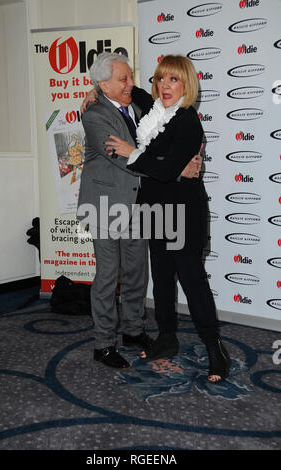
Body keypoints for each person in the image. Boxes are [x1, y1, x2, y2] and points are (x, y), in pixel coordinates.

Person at [104, 54, 231, 383]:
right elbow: (134, 92)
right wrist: (96, 91)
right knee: (160, 279)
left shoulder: (188, 121)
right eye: (160, 79)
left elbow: (164, 169)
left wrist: (131, 153)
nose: (164, 86)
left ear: (187, 84)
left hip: (184, 212)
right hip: (154, 210)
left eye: (173, 80)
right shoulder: (155, 111)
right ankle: (167, 338)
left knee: (192, 282)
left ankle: (215, 348)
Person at [77, 52, 201, 369]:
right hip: (105, 206)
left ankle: (133, 331)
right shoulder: (94, 115)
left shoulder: (138, 103)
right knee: (107, 277)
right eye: (124, 79)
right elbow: (125, 161)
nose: (132, 82)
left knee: (136, 274)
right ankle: (103, 344)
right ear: (104, 84)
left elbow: (157, 137)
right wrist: (177, 170)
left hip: (137, 206)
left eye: (131, 76)